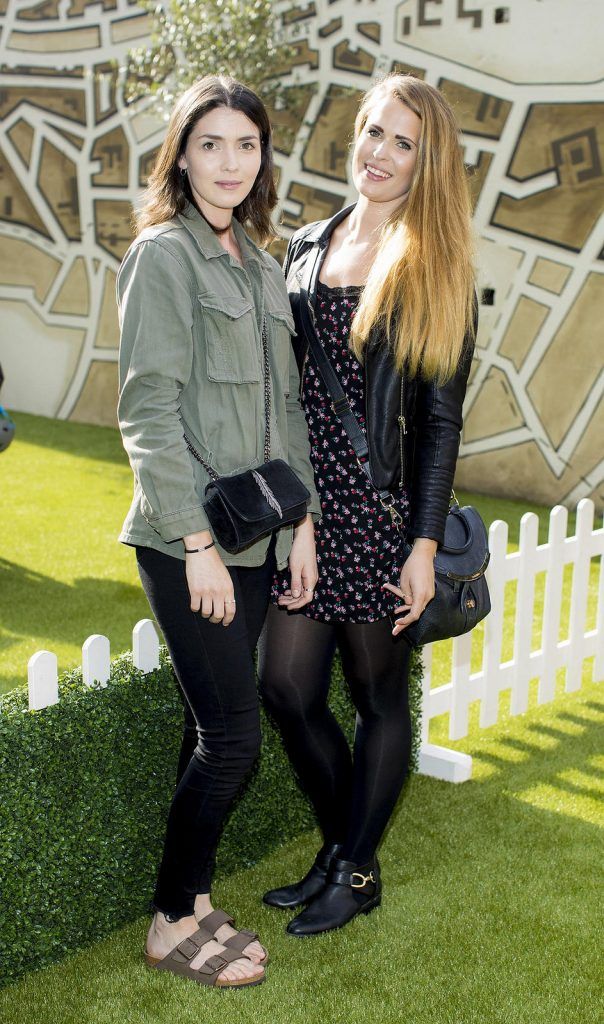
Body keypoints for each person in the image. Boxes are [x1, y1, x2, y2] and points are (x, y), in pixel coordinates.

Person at [258, 73, 477, 936]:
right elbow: (285, 383)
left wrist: (424, 544)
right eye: (373, 132)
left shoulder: (436, 264)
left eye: (403, 143)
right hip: (307, 509)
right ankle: (348, 845)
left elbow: (440, 422)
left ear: (428, 163)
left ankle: (351, 867)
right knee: (285, 686)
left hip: (382, 520)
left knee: (379, 694)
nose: (380, 154)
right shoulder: (308, 245)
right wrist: (291, 509)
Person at [117, 75, 319, 986]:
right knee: (234, 737)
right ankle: (168, 921)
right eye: (211, 144)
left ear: (262, 157)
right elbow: (149, 413)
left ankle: (195, 901)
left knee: (211, 729)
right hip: (186, 542)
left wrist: (303, 527)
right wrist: (197, 542)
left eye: (247, 145)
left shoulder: (262, 266)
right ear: (183, 154)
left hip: (260, 537)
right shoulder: (164, 257)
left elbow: (288, 417)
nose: (230, 163)